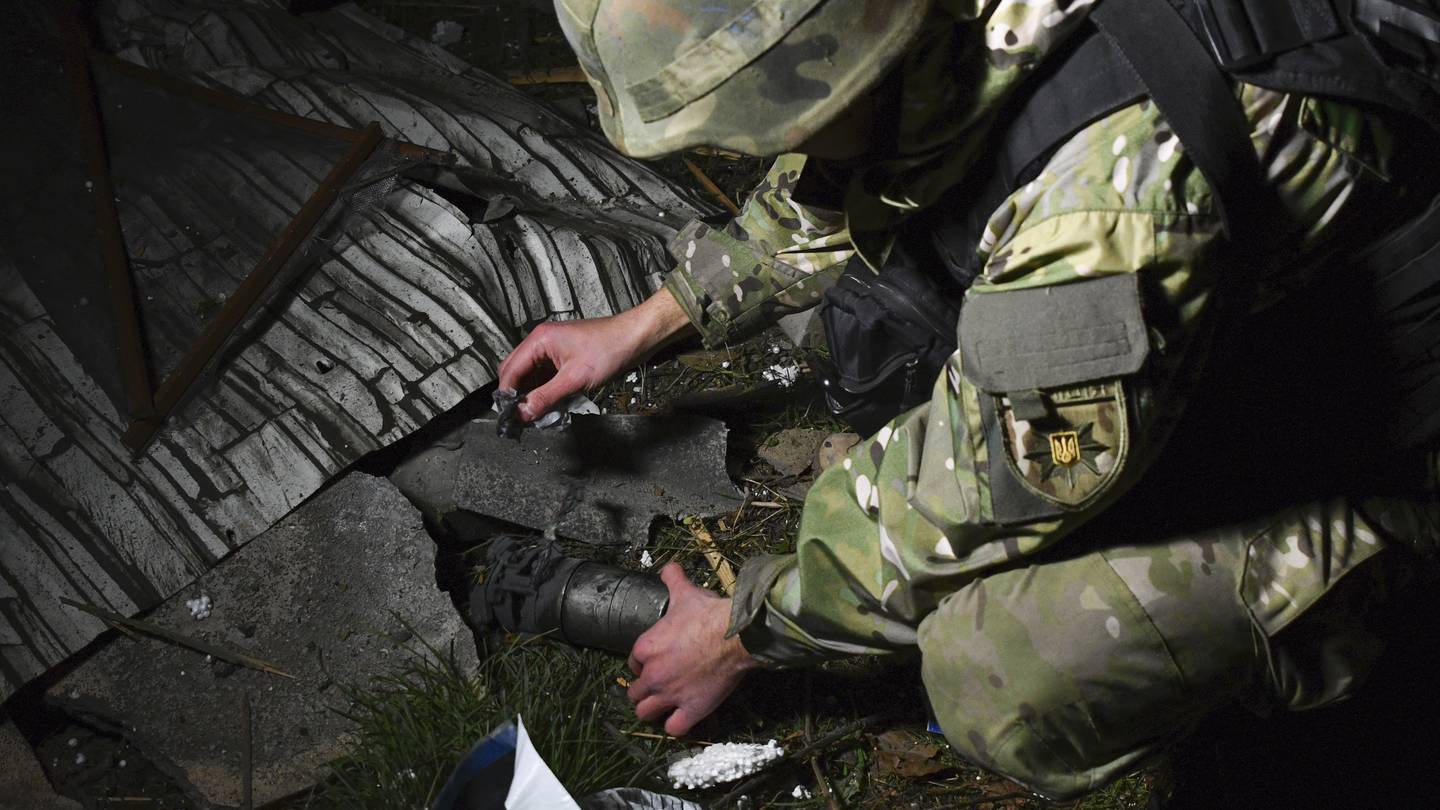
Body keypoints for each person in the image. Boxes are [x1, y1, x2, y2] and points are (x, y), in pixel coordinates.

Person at [497, 0, 1440, 798]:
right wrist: (653, 320)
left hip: (1396, 422)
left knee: (1002, 670)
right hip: (1281, 309)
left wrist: (742, 632)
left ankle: (1381, 581)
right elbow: (842, 176)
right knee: (892, 329)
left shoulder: (1095, 211)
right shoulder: (934, 35)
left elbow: (1006, 483)